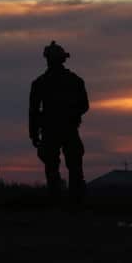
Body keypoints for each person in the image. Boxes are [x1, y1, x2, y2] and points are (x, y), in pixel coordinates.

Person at [29, 40, 90, 204]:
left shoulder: (41, 83)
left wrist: (34, 134)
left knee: (58, 167)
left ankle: (63, 201)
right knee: (68, 166)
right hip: (61, 129)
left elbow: (33, 112)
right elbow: (84, 106)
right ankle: (72, 202)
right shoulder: (74, 81)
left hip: (57, 130)